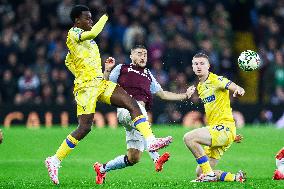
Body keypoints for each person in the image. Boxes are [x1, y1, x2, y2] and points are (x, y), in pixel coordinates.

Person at [44, 5, 172, 185]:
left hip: (100, 83)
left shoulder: (88, 43)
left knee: (132, 103)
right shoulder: (73, 33)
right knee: (84, 128)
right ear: (76, 21)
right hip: (86, 88)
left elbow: (68, 60)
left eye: (91, 18)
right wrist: (105, 16)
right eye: (87, 18)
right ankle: (55, 160)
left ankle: (151, 141)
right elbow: (91, 34)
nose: (90, 21)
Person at [93, 45, 196, 184]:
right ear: (131, 56)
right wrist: (106, 70)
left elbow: (163, 94)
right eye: (139, 54)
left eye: (145, 54)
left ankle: (102, 168)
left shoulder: (148, 74)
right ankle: (155, 153)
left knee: (133, 158)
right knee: (140, 113)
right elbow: (104, 85)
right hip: (126, 110)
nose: (143, 57)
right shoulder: (122, 68)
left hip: (137, 119)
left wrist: (185, 95)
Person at [183, 52, 246, 182]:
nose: (199, 66)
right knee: (200, 172)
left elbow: (233, 86)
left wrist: (238, 90)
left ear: (208, 66)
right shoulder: (200, 86)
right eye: (196, 64)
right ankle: (235, 177)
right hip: (219, 131)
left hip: (224, 128)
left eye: (202, 63)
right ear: (192, 67)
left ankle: (210, 176)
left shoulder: (216, 80)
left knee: (189, 138)